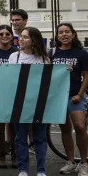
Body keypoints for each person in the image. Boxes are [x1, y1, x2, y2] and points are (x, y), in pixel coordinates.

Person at [9, 27, 51, 176]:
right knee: (20, 138)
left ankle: (41, 170)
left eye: (25, 37)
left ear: (34, 40)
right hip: (19, 103)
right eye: (21, 36)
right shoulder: (14, 57)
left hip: (39, 103)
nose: (21, 39)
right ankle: (23, 170)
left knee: (40, 137)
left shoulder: (44, 59)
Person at [51, 22, 88, 175]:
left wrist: (80, 94)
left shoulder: (81, 52)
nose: (64, 35)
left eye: (67, 32)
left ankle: (84, 163)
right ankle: (71, 161)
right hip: (58, 96)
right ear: (57, 36)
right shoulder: (52, 52)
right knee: (65, 128)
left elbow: (86, 76)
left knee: (80, 126)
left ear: (73, 34)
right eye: (61, 32)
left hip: (75, 95)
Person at [0, 25, 18, 169]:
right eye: (1, 34)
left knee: (14, 127)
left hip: (13, 94)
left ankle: (15, 156)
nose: (4, 36)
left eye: (7, 34)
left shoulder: (17, 53)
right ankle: (0, 157)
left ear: (12, 36)